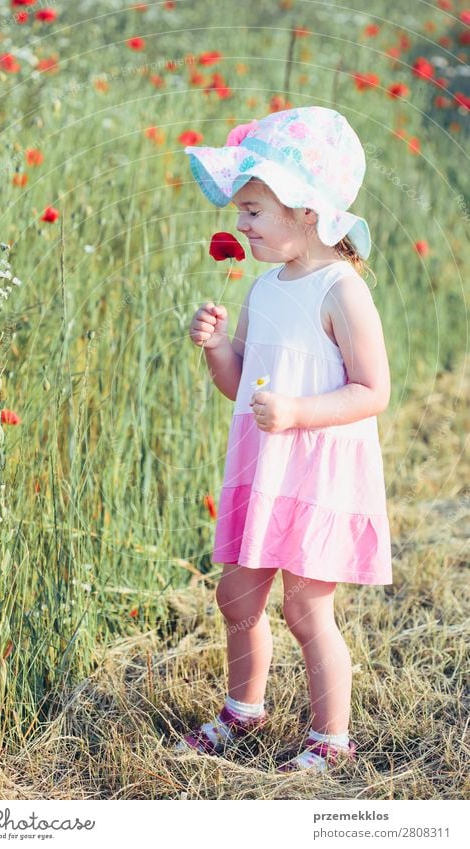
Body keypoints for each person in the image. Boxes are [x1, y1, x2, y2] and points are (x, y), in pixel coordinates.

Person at [178, 107, 392, 773]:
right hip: (263, 467)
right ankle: (243, 707)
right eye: (240, 209)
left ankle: (329, 734)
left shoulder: (341, 289)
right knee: (236, 595)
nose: (239, 224)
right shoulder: (264, 286)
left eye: (252, 209)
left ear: (305, 210)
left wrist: (296, 410)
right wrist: (217, 349)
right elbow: (240, 384)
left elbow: (371, 390)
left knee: (306, 607)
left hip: (316, 472)